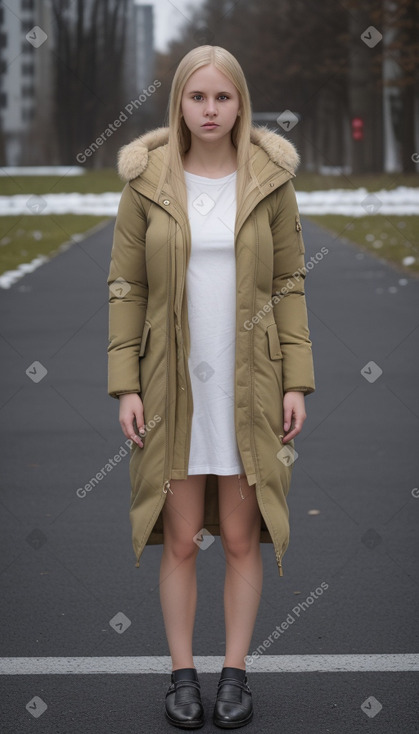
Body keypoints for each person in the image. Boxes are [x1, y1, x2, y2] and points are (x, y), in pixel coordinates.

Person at [107, 45, 315, 730]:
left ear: (239, 103)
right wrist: (126, 384)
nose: (209, 110)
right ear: (179, 103)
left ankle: (233, 674)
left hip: (248, 383)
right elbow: (127, 288)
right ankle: (181, 676)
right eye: (197, 97)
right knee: (176, 537)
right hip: (170, 387)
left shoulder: (271, 180)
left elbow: (289, 283)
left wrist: (296, 381)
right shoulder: (144, 183)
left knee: (233, 535)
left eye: (221, 98)